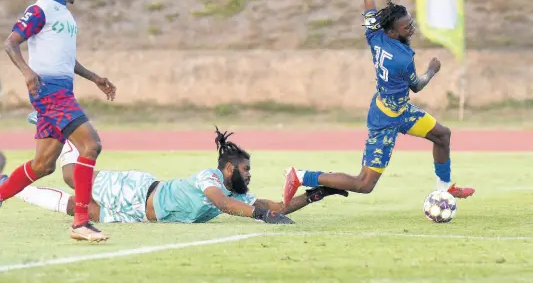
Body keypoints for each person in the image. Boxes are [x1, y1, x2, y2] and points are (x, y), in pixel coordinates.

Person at [283, 0, 475, 205]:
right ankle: (301, 175)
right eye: (408, 26)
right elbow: (417, 86)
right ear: (394, 32)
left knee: (442, 135)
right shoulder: (403, 59)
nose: (412, 27)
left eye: (411, 21)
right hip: (386, 120)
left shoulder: (374, 33)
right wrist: (432, 70)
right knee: (364, 184)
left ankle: (443, 189)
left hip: (398, 109)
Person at [0, 0, 116, 242]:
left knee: (43, 165)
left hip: (62, 91)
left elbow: (66, 59)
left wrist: (95, 78)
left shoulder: (65, 14)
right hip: (50, 93)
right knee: (91, 145)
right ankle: (80, 223)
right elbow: (11, 42)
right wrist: (27, 72)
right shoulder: (40, 9)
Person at [6, 127, 348, 225]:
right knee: (71, 178)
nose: (249, 174)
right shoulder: (211, 179)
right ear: (228, 168)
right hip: (136, 191)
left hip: (139, 214)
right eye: (245, 169)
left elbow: (278, 205)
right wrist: (262, 215)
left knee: (70, 207)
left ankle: (3, 179)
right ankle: (56, 127)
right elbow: (223, 203)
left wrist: (318, 194)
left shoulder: (236, 195)